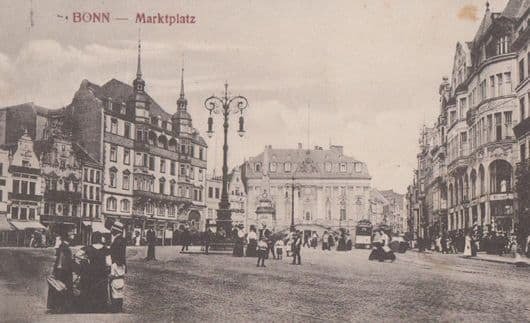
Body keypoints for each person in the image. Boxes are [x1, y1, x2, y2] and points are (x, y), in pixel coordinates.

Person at [47, 232, 74, 314]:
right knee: (63, 287)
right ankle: (61, 307)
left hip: (61, 270)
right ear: (67, 237)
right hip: (64, 271)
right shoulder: (65, 247)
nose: (73, 236)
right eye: (71, 234)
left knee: (59, 288)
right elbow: (62, 261)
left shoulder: (63, 246)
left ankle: (57, 306)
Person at [84, 231, 110, 313]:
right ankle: (101, 307)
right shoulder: (106, 250)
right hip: (102, 274)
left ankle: (90, 307)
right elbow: (108, 263)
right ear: (100, 239)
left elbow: (79, 258)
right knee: (101, 290)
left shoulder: (87, 248)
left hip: (90, 273)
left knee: (90, 289)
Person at [109, 221, 127, 313]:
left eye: (112, 228)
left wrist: (114, 267)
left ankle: (116, 308)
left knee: (115, 286)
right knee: (119, 287)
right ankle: (118, 307)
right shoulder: (121, 239)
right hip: (120, 265)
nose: (111, 230)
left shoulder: (117, 241)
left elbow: (117, 255)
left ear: (115, 230)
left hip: (116, 265)